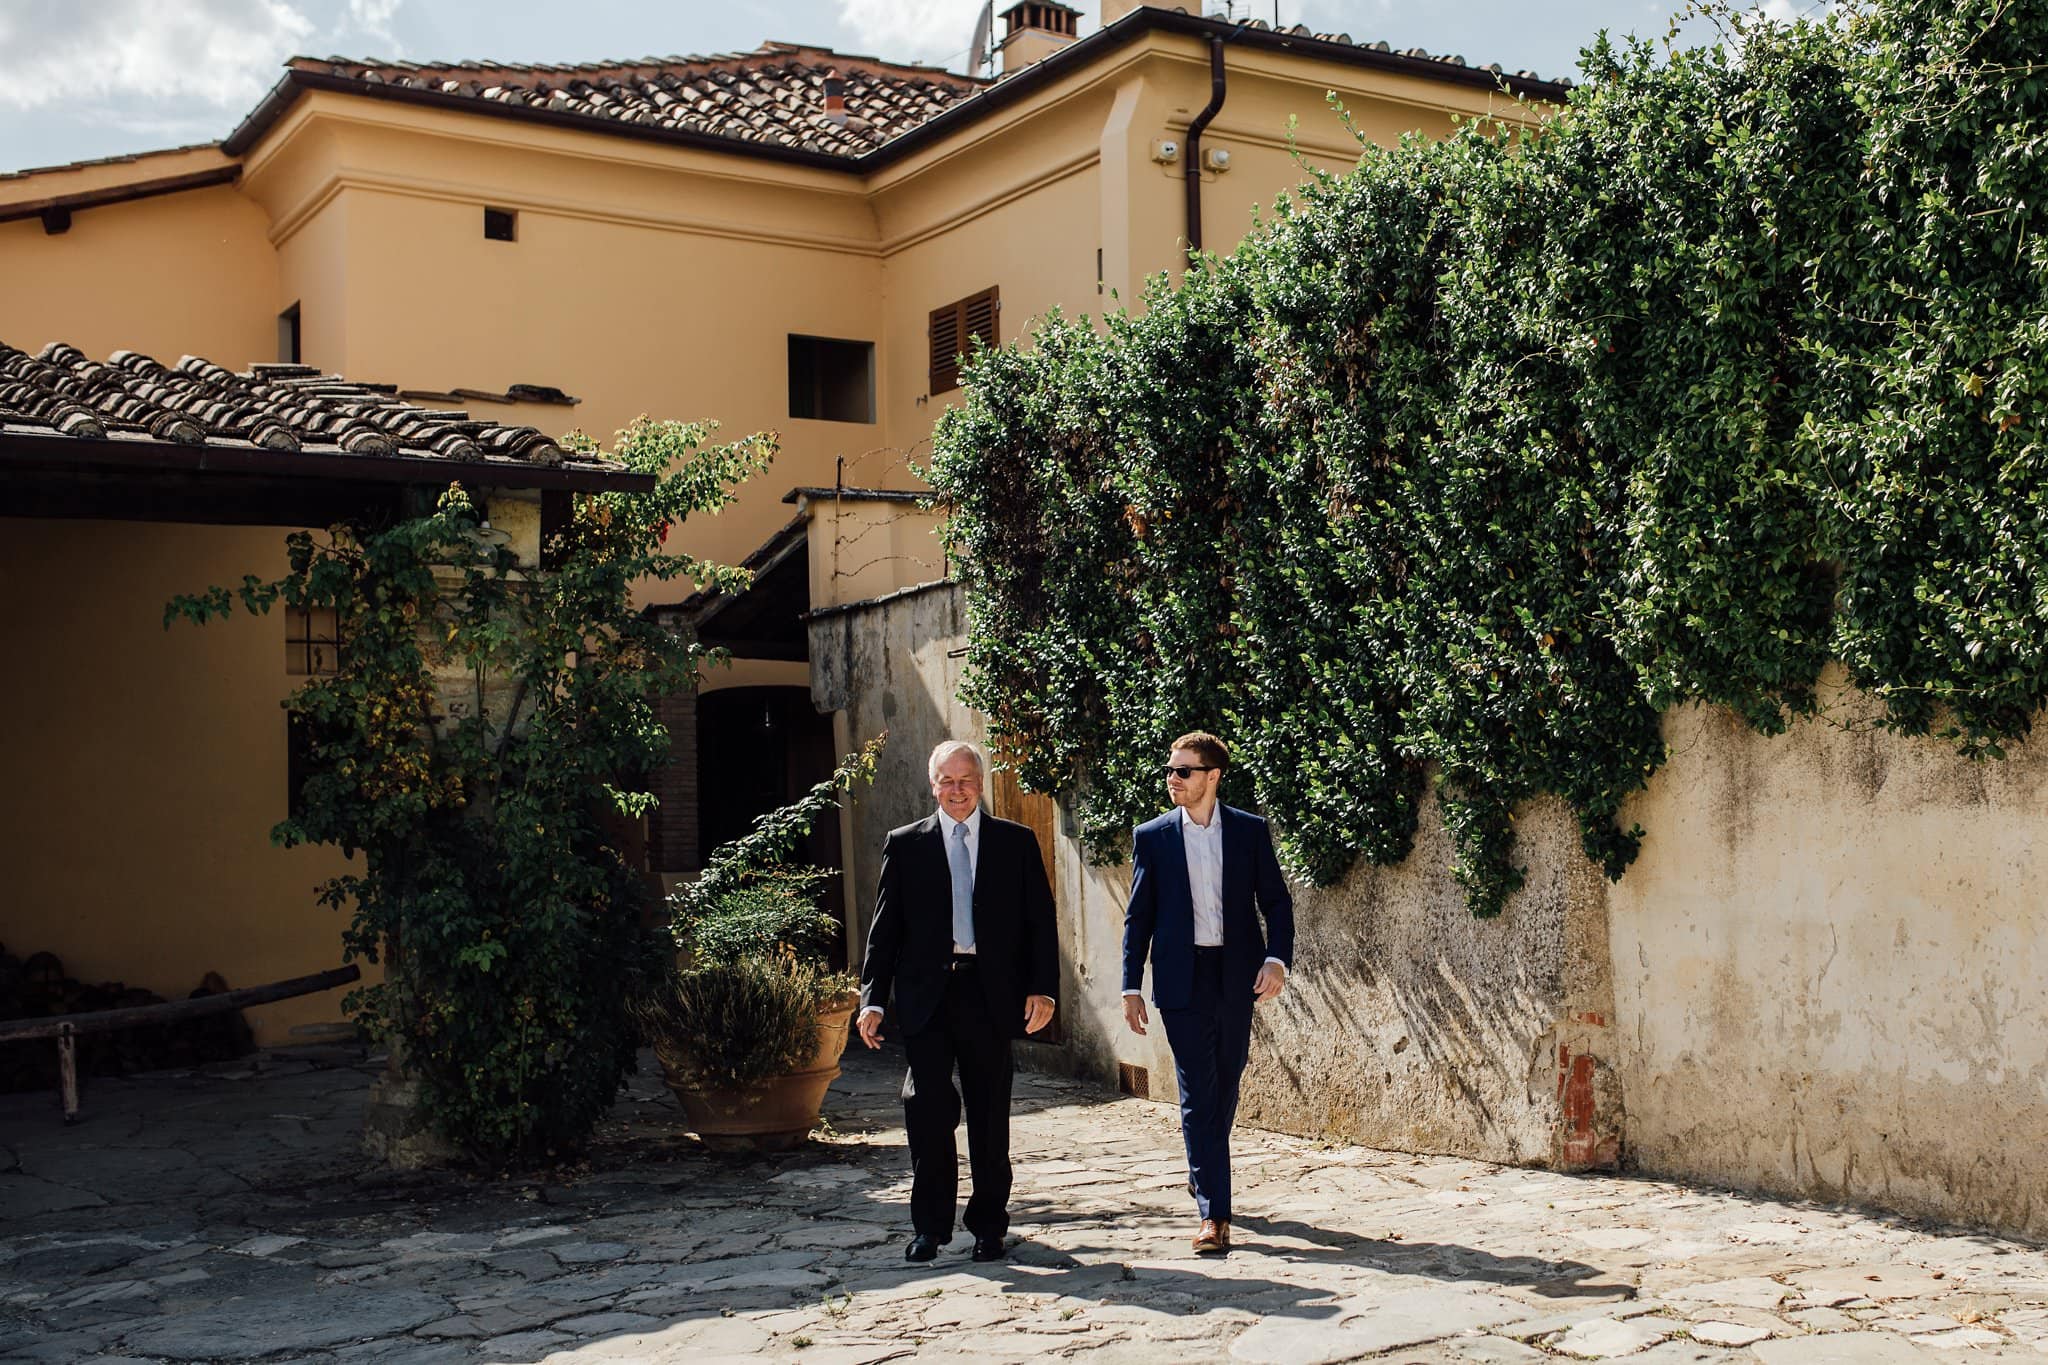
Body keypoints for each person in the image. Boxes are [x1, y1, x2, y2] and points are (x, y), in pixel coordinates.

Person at [857, 739, 1058, 1264]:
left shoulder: (1015, 842)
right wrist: (872, 999)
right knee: (926, 1111)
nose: (957, 790)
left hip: (989, 995)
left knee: (990, 1116)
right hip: (927, 996)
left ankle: (989, 1226)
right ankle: (930, 1228)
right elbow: (885, 930)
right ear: (932, 786)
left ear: (980, 783)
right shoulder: (905, 844)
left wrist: (1043, 988)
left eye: (965, 779)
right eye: (946, 781)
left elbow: (1040, 922)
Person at [1122, 730, 1294, 1255]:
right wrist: (1131, 984)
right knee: (1198, 1089)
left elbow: (1277, 903)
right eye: (1170, 770)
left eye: (1183, 771)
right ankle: (1215, 1216)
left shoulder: (1248, 831)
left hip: (1235, 973)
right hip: (1180, 978)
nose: (1172, 779)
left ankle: (1203, 1170)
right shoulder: (1152, 836)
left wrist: (1276, 960)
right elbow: (1139, 917)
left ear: (1212, 776)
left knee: (1227, 1078)